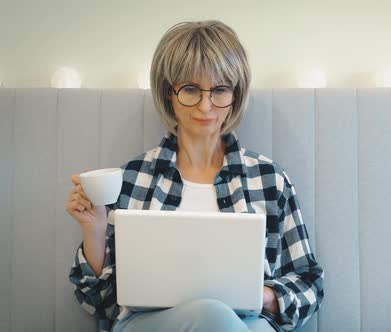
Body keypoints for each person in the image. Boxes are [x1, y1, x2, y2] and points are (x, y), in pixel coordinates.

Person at [65, 20, 324, 332]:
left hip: (248, 323)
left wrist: (264, 296)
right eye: (190, 89)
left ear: (235, 94)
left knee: (229, 321)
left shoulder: (270, 179)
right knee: (210, 315)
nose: (206, 106)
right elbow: (102, 306)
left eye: (220, 90)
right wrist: (94, 230)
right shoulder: (133, 177)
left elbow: (308, 282)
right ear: (168, 93)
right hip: (150, 324)